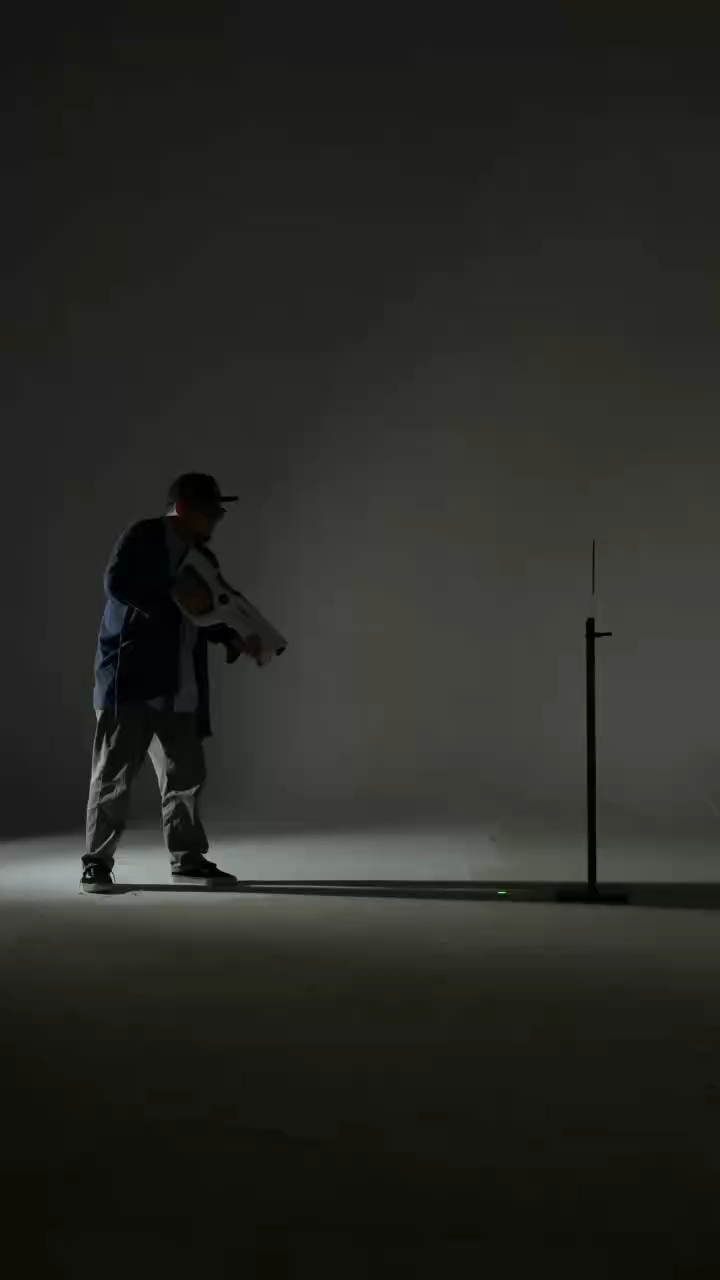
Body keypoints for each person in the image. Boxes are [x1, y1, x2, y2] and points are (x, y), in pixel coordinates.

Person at [82, 473, 261, 893]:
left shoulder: (202, 557)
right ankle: (96, 863)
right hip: (131, 680)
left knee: (187, 774)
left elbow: (208, 611)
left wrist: (234, 637)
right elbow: (116, 583)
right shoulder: (144, 536)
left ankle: (188, 859)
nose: (216, 518)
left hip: (180, 684)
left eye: (218, 511)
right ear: (182, 508)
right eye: (210, 510)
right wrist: (173, 597)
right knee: (113, 776)